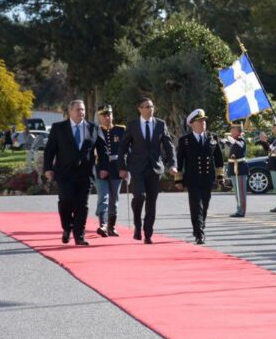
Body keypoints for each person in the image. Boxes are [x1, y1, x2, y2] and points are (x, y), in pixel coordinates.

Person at [43, 100, 108, 246]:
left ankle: (79, 235)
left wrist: (103, 167)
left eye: (83, 110)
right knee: (66, 201)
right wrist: (48, 168)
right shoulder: (59, 128)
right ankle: (67, 227)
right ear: (70, 111)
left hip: (85, 173)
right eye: (78, 110)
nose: (81, 112)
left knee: (82, 204)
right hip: (64, 173)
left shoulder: (93, 127)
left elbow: (102, 149)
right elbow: (50, 150)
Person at [117, 96, 177, 244]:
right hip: (137, 168)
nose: (150, 109)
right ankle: (137, 225)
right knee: (139, 197)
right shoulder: (132, 125)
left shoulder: (160, 124)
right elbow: (123, 148)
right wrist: (122, 167)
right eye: (146, 107)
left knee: (151, 202)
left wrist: (172, 164)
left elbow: (169, 146)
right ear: (140, 109)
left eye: (151, 107)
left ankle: (148, 233)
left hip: (155, 169)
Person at [175, 109, 224, 244]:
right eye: (200, 121)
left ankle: (200, 226)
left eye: (204, 121)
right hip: (192, 178)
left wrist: (220, 176)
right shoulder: (185, 140)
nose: (203, 123)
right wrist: (178, 179)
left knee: (205, 205)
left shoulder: (212, 138)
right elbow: (180, 161)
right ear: (192, 124)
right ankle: (199, 233)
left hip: (208, 177)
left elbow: (219, 158)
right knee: (196, 206)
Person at [94, 105, 126, 237]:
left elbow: (126, 150)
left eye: (109, 114)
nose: (107, 117)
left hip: (116, 168)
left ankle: (111, 226)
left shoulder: (121, 130)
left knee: (114, 198)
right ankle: (103, 224)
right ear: (99, 117)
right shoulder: (96, 132)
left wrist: (124, 168)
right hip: (100, 168)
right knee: (103, 196)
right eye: (104, 115)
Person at [225, 123, 249, 217]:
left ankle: (241, 211)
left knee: (241, 192)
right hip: (233, 167)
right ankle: (239, 209)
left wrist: (234, 141)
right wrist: (226, 142)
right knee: (237, 191)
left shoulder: (241, 140)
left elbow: (240, 146)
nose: (231, 131)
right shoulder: (233, 140)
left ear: (238, 132)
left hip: (240, 168)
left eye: (233, 130)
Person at [259, 125, 276, 213]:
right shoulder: (274, 138)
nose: (272, 129)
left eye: (274, 127)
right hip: (273, 164)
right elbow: (268, 149)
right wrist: (264, 142)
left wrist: (267, 141)